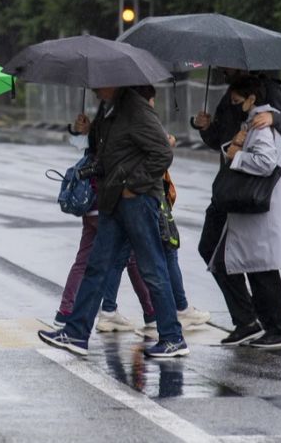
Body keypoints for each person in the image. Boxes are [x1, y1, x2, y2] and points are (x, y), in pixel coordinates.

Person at [38, 85, 187, 358]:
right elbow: (106, 152)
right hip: (112, 200)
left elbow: (162, 153)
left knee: (152, 268)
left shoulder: (137, 109)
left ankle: (173, 337)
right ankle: (75, 333)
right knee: (97, 267)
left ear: (115, 81)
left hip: (137, 201)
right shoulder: (110, 109)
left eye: (98, 83)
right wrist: (88, 131)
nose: (93, 88)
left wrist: (134, 184)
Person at [193, 69, 281, 345]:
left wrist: (274, 118)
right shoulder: (234, 94)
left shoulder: (269, 94)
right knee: (215, 249)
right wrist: (206, 127)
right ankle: (248, 319)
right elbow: (220, 138)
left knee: (256, 260)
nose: (225, 70)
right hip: (231, 188)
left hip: (251, 190)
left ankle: (267, 324)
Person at [93, 86, 211, 331]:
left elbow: (155, 152)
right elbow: (158, 154)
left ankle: (152, 318)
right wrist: (134, 186)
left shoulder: (122, 112)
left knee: (126, 260)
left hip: (129, 196)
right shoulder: (131, 112)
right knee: (161, 257)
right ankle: (173, 318)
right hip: (141, 197)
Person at [54, 109, 157, 333]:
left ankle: (65, 312)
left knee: (86, 261)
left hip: (90, 206)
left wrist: (85, 130)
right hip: (107, 205)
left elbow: (82, 144)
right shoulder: (120, 127)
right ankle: (145, 313)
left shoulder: (101, 127)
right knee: (126, 260)